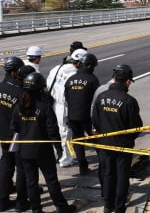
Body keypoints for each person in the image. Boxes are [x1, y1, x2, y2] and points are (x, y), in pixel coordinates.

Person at [10, 72, 77, 213]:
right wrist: (58, 148)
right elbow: (52, 130)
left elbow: (14, 128)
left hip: (24, 152)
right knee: (51, 180)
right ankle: (61, 206)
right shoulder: (44, 106)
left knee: (31, 182)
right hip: (43, 151)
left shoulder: (19, 107)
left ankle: (36, 209)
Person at [92, 64, 143, 213]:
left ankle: (108, 205)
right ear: (127, 81)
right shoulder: (129, 101)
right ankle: (120, 207)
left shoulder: (101, 97)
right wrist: (129, 139)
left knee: (108, 173)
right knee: (122, 175)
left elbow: (95, 121)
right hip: (123, 145)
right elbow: (136, 127)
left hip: (104, 144)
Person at [46, 48, 88, 168]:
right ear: (79, 62)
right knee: (65, 132)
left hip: (55, 103)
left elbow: (48, 84)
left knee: (61, 131)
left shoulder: (57, 68)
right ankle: (65, 159)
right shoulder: (75, 74)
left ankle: (64, 155)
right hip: (66, 106)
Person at [0, 57, 30, 212]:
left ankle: (2, 200)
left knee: (6, 165)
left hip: (2, 134)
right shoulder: (21, 91)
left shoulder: (1, 86)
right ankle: (21, 201)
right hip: (17, 135)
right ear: (13, 72)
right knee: (22, 168)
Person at [64, 53, 99, 175]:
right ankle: (104, 162)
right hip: (87, 116)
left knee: (78, 141)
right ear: (89, 66)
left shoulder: (70, 80)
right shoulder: (92, 79)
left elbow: (67, 98)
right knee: (96, 139)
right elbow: (97, 100)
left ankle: (83, 167)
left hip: (72, 115)